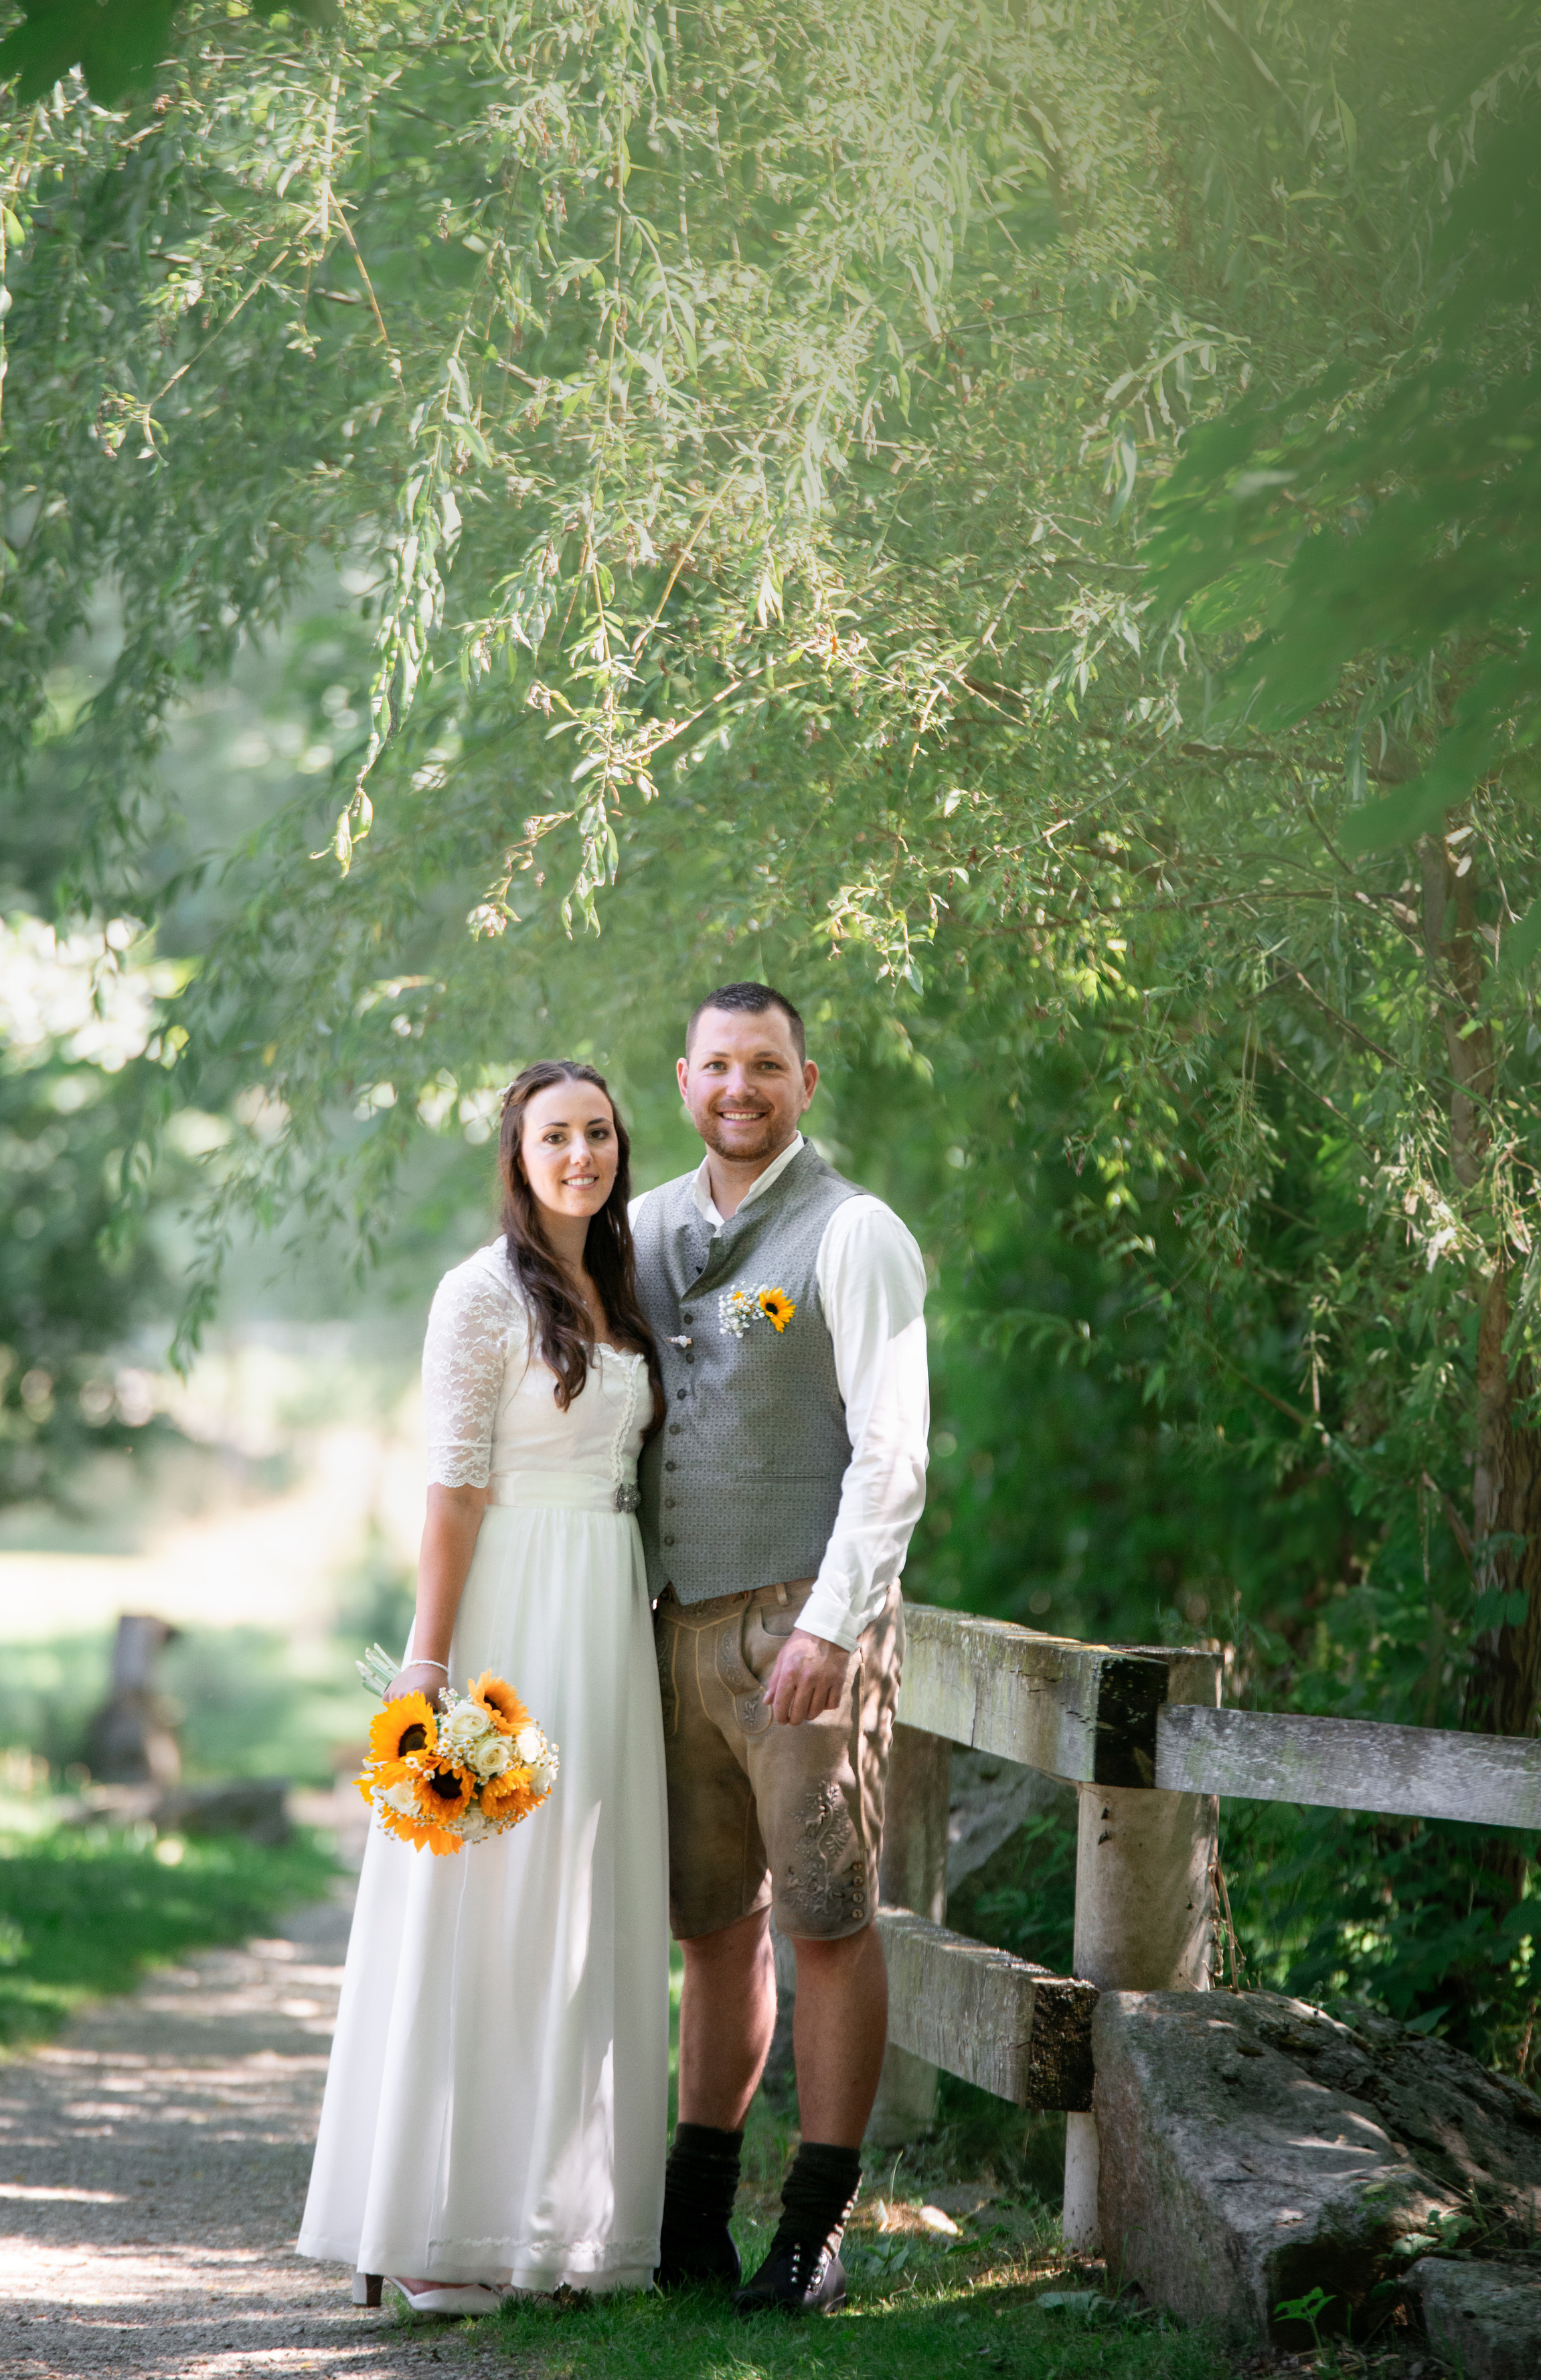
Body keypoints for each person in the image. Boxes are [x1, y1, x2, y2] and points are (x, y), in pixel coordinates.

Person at [297, 1061, 671, 2312]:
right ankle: (429, 2221)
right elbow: (453, 1490)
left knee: (584, 1905)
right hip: (512, 1607)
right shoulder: (480, 1294)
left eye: (598, 1133)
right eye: (555, 1136)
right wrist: (429, 1660)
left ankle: (558, 2224)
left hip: (606, 1610)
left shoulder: (624, 1285)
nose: (581, 1155)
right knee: (482, 1903)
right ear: (518, 1157)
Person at [630, 983, 929, 2315]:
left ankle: (814, 2229)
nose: (738, 1087)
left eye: (765, 1065)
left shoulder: (853, 1232)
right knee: (711, 1928)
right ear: (682, 1080)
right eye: (717, 1065)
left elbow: (893, 1451)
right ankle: (694, 2215)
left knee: (826, 1922)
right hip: (668, 1627)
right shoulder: (640, 1230)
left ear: (805, 1081)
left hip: (802, 1627)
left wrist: (832, 1623)